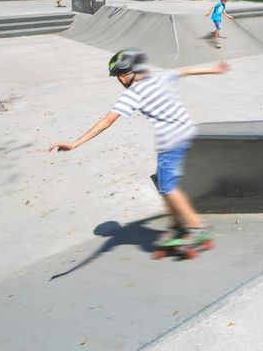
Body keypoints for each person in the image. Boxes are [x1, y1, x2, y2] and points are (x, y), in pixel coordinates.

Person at [47, 49, 230, 245]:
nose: (119, 79)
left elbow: (107, 121)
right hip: (186, 132)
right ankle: (177, 225)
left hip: (171, 141)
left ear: (128, 73)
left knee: (168, 188)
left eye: (120, 75)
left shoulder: (133, 94)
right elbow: (185, 70)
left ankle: (196, 228)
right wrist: (214, 69)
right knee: (163, 183)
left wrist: (75, 143)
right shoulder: (160, 77)